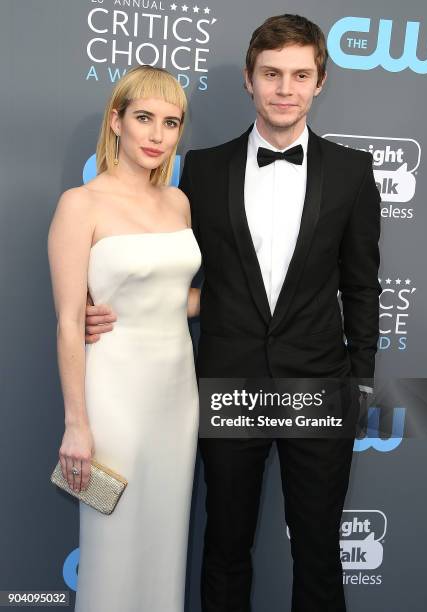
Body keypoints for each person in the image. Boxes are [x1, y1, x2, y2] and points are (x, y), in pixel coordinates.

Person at [85, 14, 381, 612]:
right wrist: (115, 308)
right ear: (249, 79)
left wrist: (359, 384)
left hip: (319, 383)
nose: (284, 88)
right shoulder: (204, 169)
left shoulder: (353, 172)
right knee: (224, 547)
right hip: (226, 380)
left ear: (319, 82)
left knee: (320, 553)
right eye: (271, 74)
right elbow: (170, 268)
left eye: (300, 75)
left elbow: (362, 287)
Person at [48, 65, 201, 612]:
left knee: (166, 535)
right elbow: (69, 320)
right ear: (117, 121)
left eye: (171, 122)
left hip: (177, 394)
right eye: (144, 118)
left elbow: (177, 296)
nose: (158, 135)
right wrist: (76, 423)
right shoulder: (80, 204)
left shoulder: (179, 204)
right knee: (110, 539)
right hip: (112, 394)